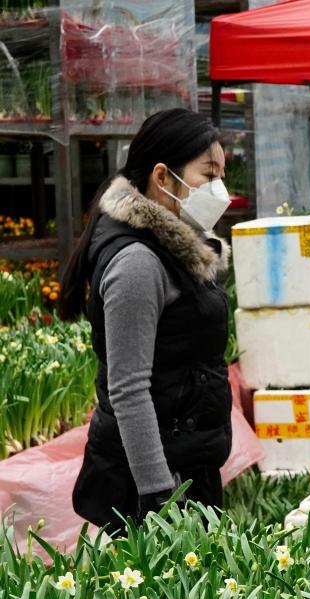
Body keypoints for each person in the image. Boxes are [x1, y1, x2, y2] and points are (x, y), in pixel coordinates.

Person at [58, 109, 233, 532]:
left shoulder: (173, 251)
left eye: (222, 175)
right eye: (208, 175)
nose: (220, 191)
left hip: (185, 465)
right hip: (149, 489)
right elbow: (128, 388)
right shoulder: (138, 262)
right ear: (162, 177)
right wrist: (160, 498)